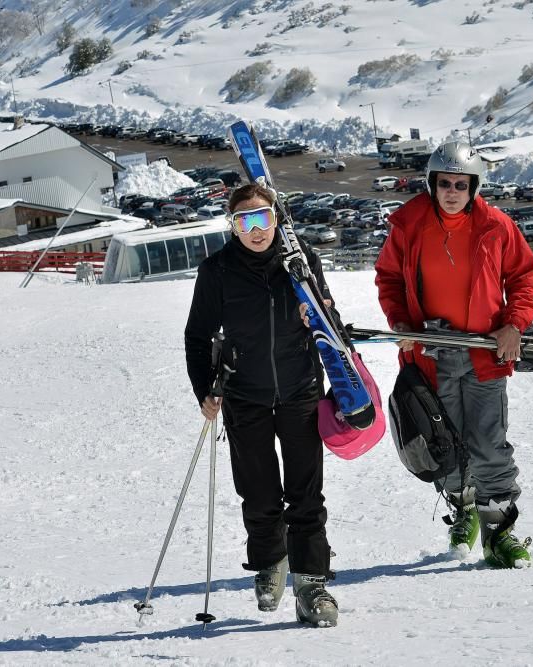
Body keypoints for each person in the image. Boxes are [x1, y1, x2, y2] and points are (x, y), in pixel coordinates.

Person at [374, 141, 533, 569]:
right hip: (431, 354)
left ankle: (499, 533)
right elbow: (389, 278)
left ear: (473, 186)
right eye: (444, 183)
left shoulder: (496, 226)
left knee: (488, 443)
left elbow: (522, 277)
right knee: (444, 445)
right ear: (432, 183)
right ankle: (463, 509)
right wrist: (400, 324)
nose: (451, 191)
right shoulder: (409, 225)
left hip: (485, 353)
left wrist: (513, 325)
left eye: (460, 184)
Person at [184, 183, 339, 627]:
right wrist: (205, 390)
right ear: (233, 226)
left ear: (277, 218)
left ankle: (312, 585)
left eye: (263, 219)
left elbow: (328, 317)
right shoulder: (217, 271)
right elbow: (197, 337)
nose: (256, 230)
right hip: (244, 395)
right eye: (245, 222)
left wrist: (319, 313)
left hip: (299, 389)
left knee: (305, 494)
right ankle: (271, 564)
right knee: (258, 491)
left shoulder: (299, 260)